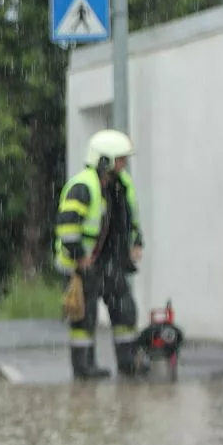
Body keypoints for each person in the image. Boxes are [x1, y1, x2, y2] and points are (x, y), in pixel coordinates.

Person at [58, 129, 144, 379]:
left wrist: (137, 241)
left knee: (125, 311)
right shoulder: (82, 186)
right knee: (84, 319)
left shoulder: (122, 184)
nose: (124, 164)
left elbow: (131, 217)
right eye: (120, 159)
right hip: (84, 264)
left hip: (112, 261)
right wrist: (78, 256)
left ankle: (128, 362)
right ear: (103, 160)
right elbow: (67, 224)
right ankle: (83, 367)